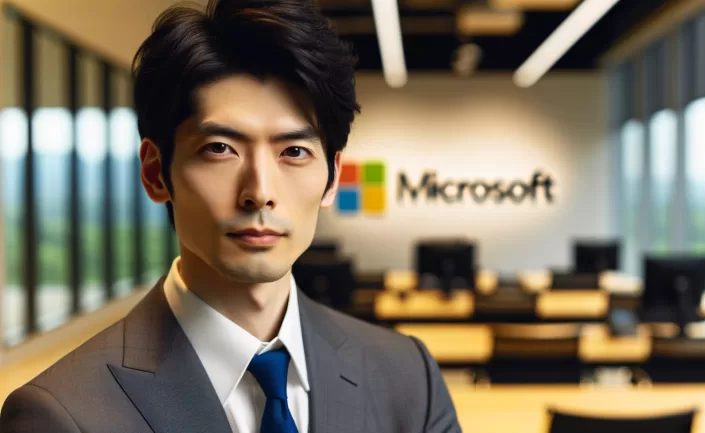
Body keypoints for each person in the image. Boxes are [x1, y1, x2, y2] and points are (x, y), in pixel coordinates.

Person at [0, 0, 461, 431]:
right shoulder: (61, 414)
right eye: (220, 149)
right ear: (156, 172)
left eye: (294, 151)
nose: (259, 192)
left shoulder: (409, 379)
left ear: (332, 178)